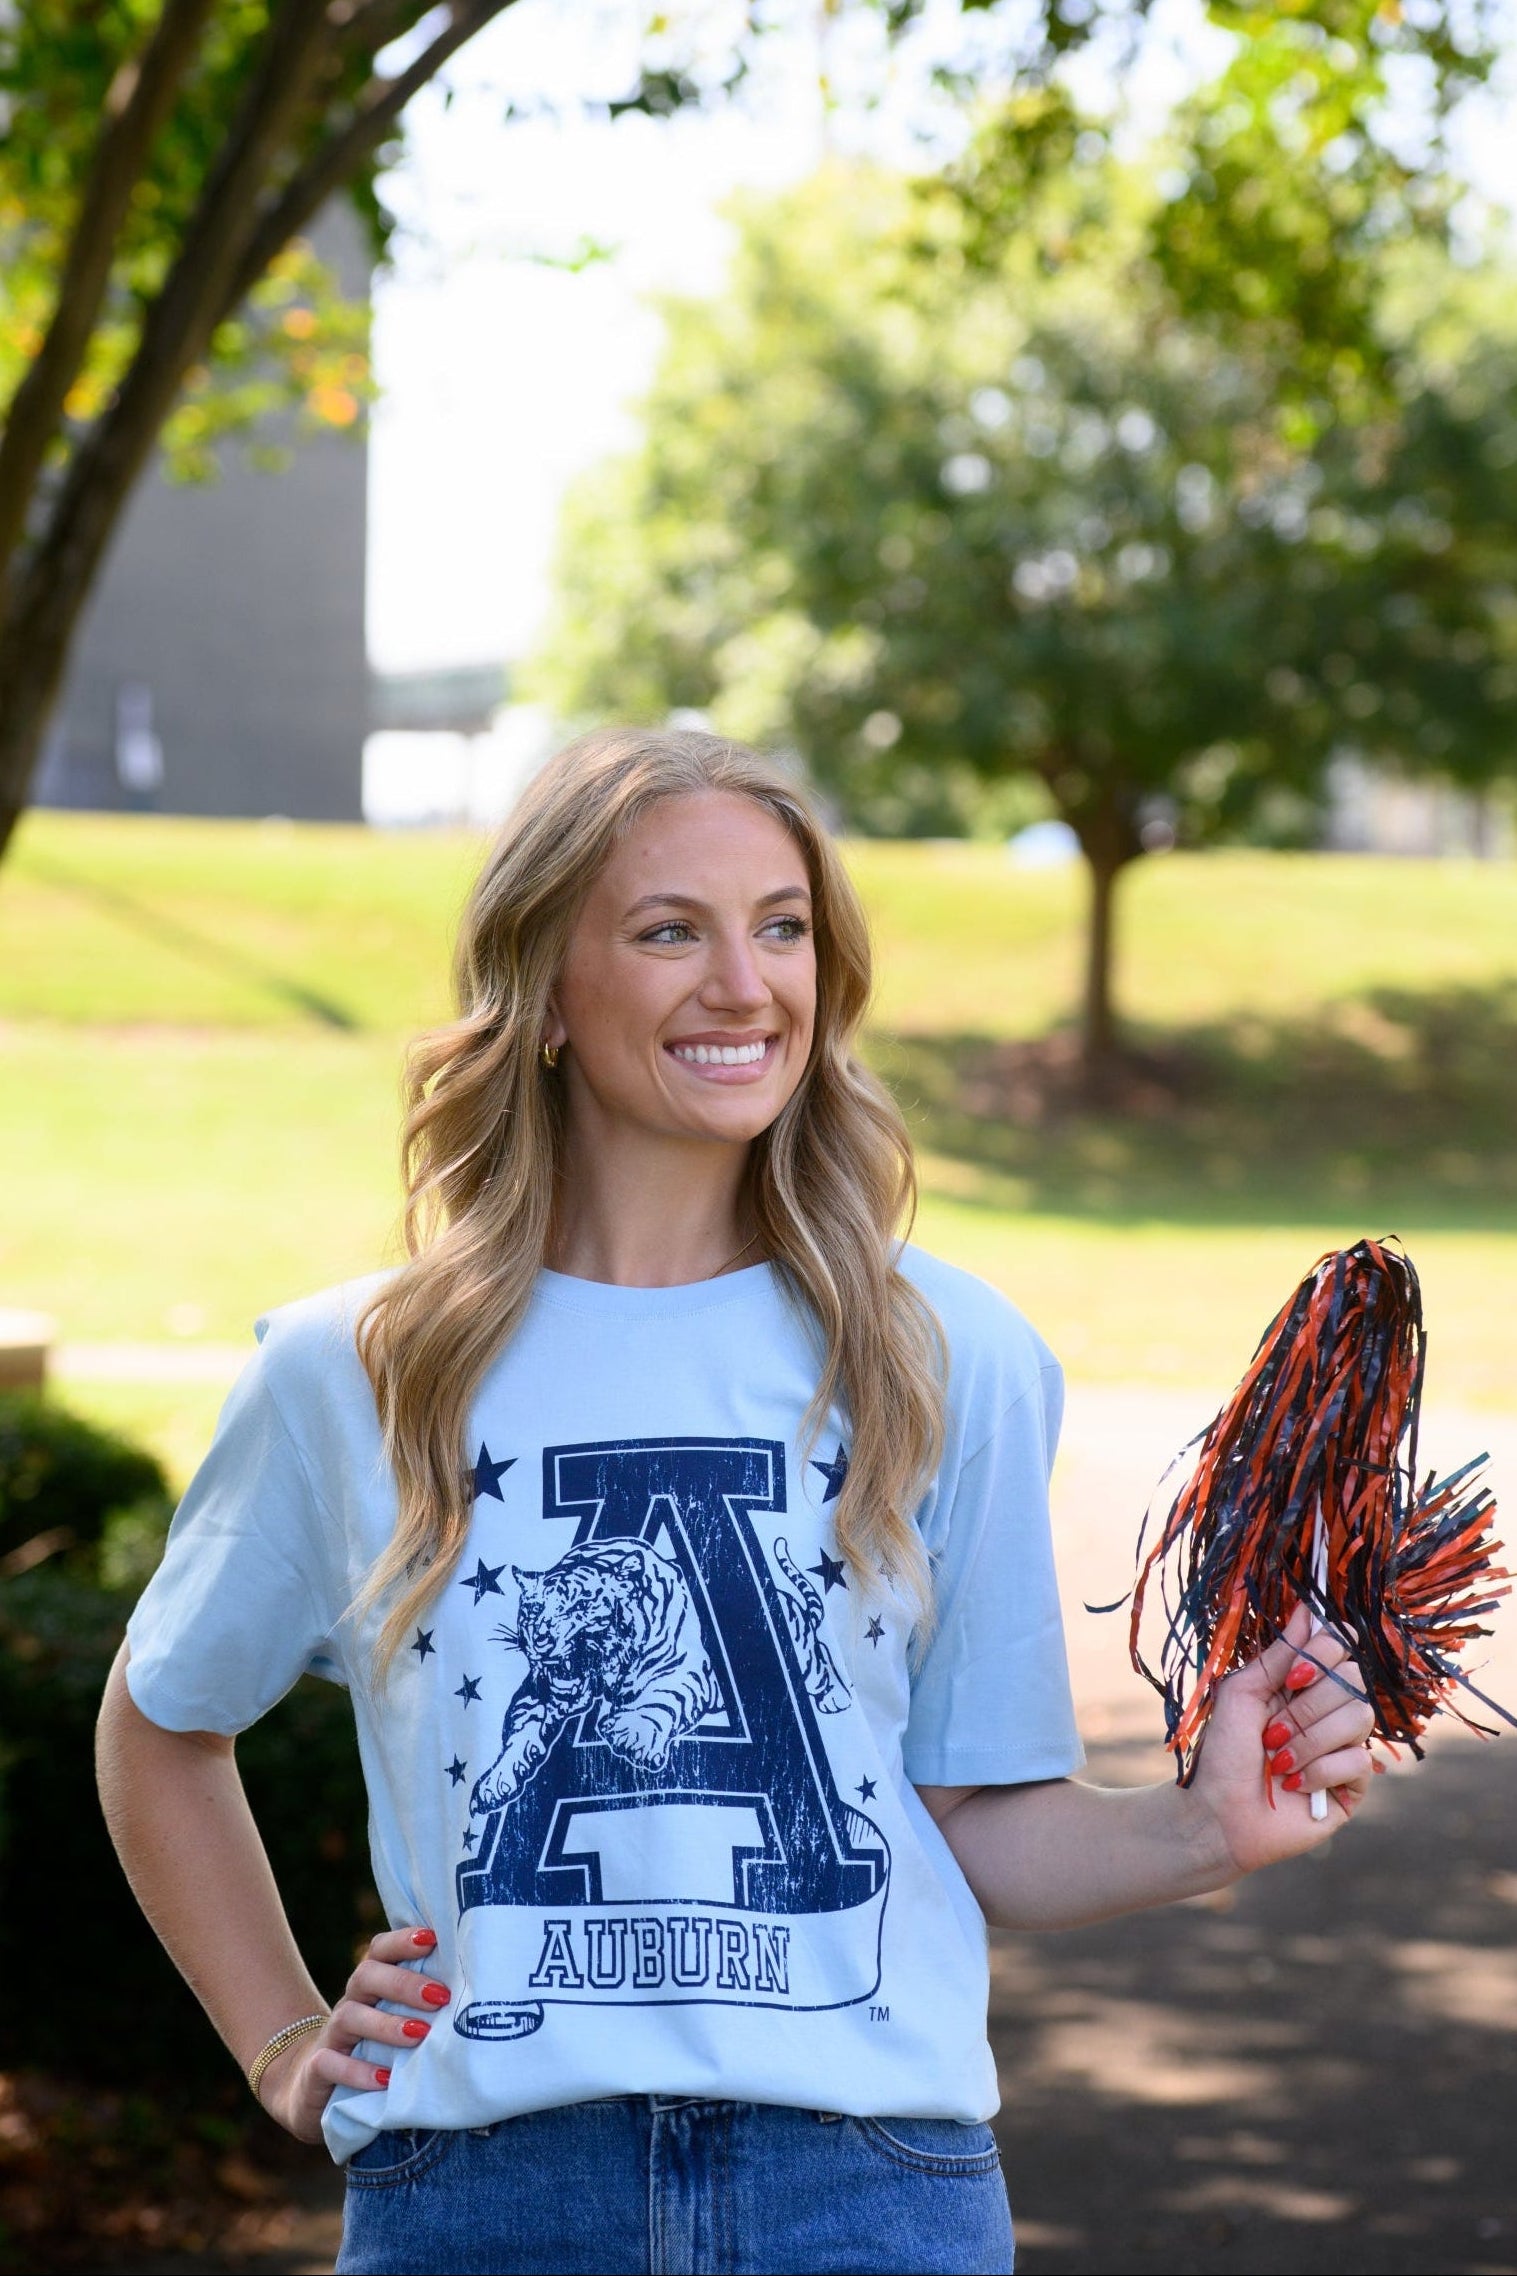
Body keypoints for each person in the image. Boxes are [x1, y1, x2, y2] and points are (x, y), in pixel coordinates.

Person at [96, 727, 1376, 2276]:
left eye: (781, 927)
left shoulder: (943, 1353)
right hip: (482, 2201)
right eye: (665, 930)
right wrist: (285, 2039)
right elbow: (161, 1723)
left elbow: (974, 1817)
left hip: (868, 2196)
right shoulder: (351, 1371)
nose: (744, 984)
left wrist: (1203, 1833)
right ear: (544, 988)